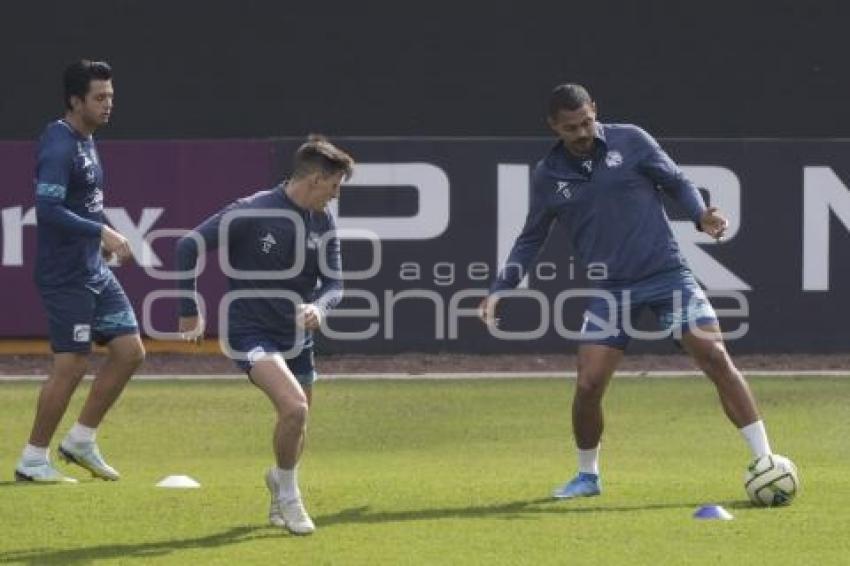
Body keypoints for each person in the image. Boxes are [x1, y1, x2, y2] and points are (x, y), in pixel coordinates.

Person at [479, 83, 780, 499]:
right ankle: (587, 477)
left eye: (586, 121)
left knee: (714, 355)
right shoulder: (548, 175)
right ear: (553, 126)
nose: (582, 132)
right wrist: (501, 288)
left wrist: (699, 215)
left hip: (666, 275)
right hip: (611, 290)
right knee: (588, 385)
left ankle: (766, 459)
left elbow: (676, 182)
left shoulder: (631, 140)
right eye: (571, 128)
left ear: (595, 111)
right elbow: (531, 237)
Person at [175, 135, 353, 535]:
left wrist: (318, 308)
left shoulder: (323, 221)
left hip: (297, 339)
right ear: (315, 180)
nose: (337, 195)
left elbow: (336, 283)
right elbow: (188, 247)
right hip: (250, 332)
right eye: (336, 186)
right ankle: (290, 499)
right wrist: (188, 310)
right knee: (296, 409)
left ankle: (277, 480)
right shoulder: (252, 211)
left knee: (297, 423)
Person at [15, 60, 145, 483]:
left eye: (111, 96)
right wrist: (102, 232)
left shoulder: (86, 139)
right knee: (71, 365)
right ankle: (33, 458)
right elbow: (47, 210)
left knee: (129, 352)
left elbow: (86, 202)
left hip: (93, 271)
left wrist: (106, 231)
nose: (108, 104)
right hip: (65, 276)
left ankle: (81, 439)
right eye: (99, 97)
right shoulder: (59, 145)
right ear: (76, 101)